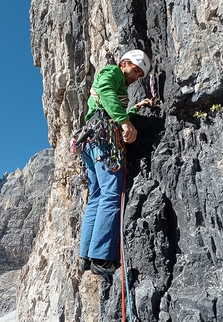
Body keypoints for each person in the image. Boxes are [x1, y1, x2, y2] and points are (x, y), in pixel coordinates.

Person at [78, 49, 155, 276]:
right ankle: (102, 257)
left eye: (140, 75)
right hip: (103, 138)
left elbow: (109, 106)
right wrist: (124, 122)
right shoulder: (112, 72)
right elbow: (105, 92)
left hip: (91, 140)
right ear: (124, 63)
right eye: (135, 70)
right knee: (112, 193)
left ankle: (87, 255)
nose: (135, 77)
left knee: (97, 196)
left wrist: (135, 109)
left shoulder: (119, 82)